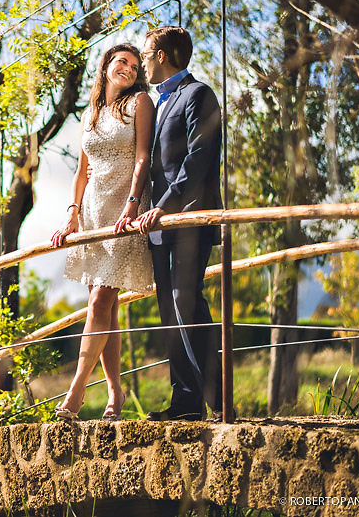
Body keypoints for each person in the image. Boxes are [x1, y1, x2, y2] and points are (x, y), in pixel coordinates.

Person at [50, 43, 155, 422]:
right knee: (105, 309)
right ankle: (115, 393)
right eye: (120, 61)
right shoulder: (90, 112)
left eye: (133, 64)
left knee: (98, 303)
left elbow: (144, 157)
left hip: (123, 214)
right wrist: (71, 215)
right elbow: (82, 171)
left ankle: (76, 393)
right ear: (106, 65)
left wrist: (132, 202)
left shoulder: (140, 103)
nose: (127, 68)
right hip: (93, 214)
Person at [134, 26, 223, 421]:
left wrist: (165, 207)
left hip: (186, 220)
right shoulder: (158, 103)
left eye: (146, 54)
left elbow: (198, 161)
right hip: (158, 228)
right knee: (169, 311)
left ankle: (220, 398)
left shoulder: (199, 94)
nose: (142, 62)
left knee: (187, 302)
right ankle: (186, 402)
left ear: (164, 55)